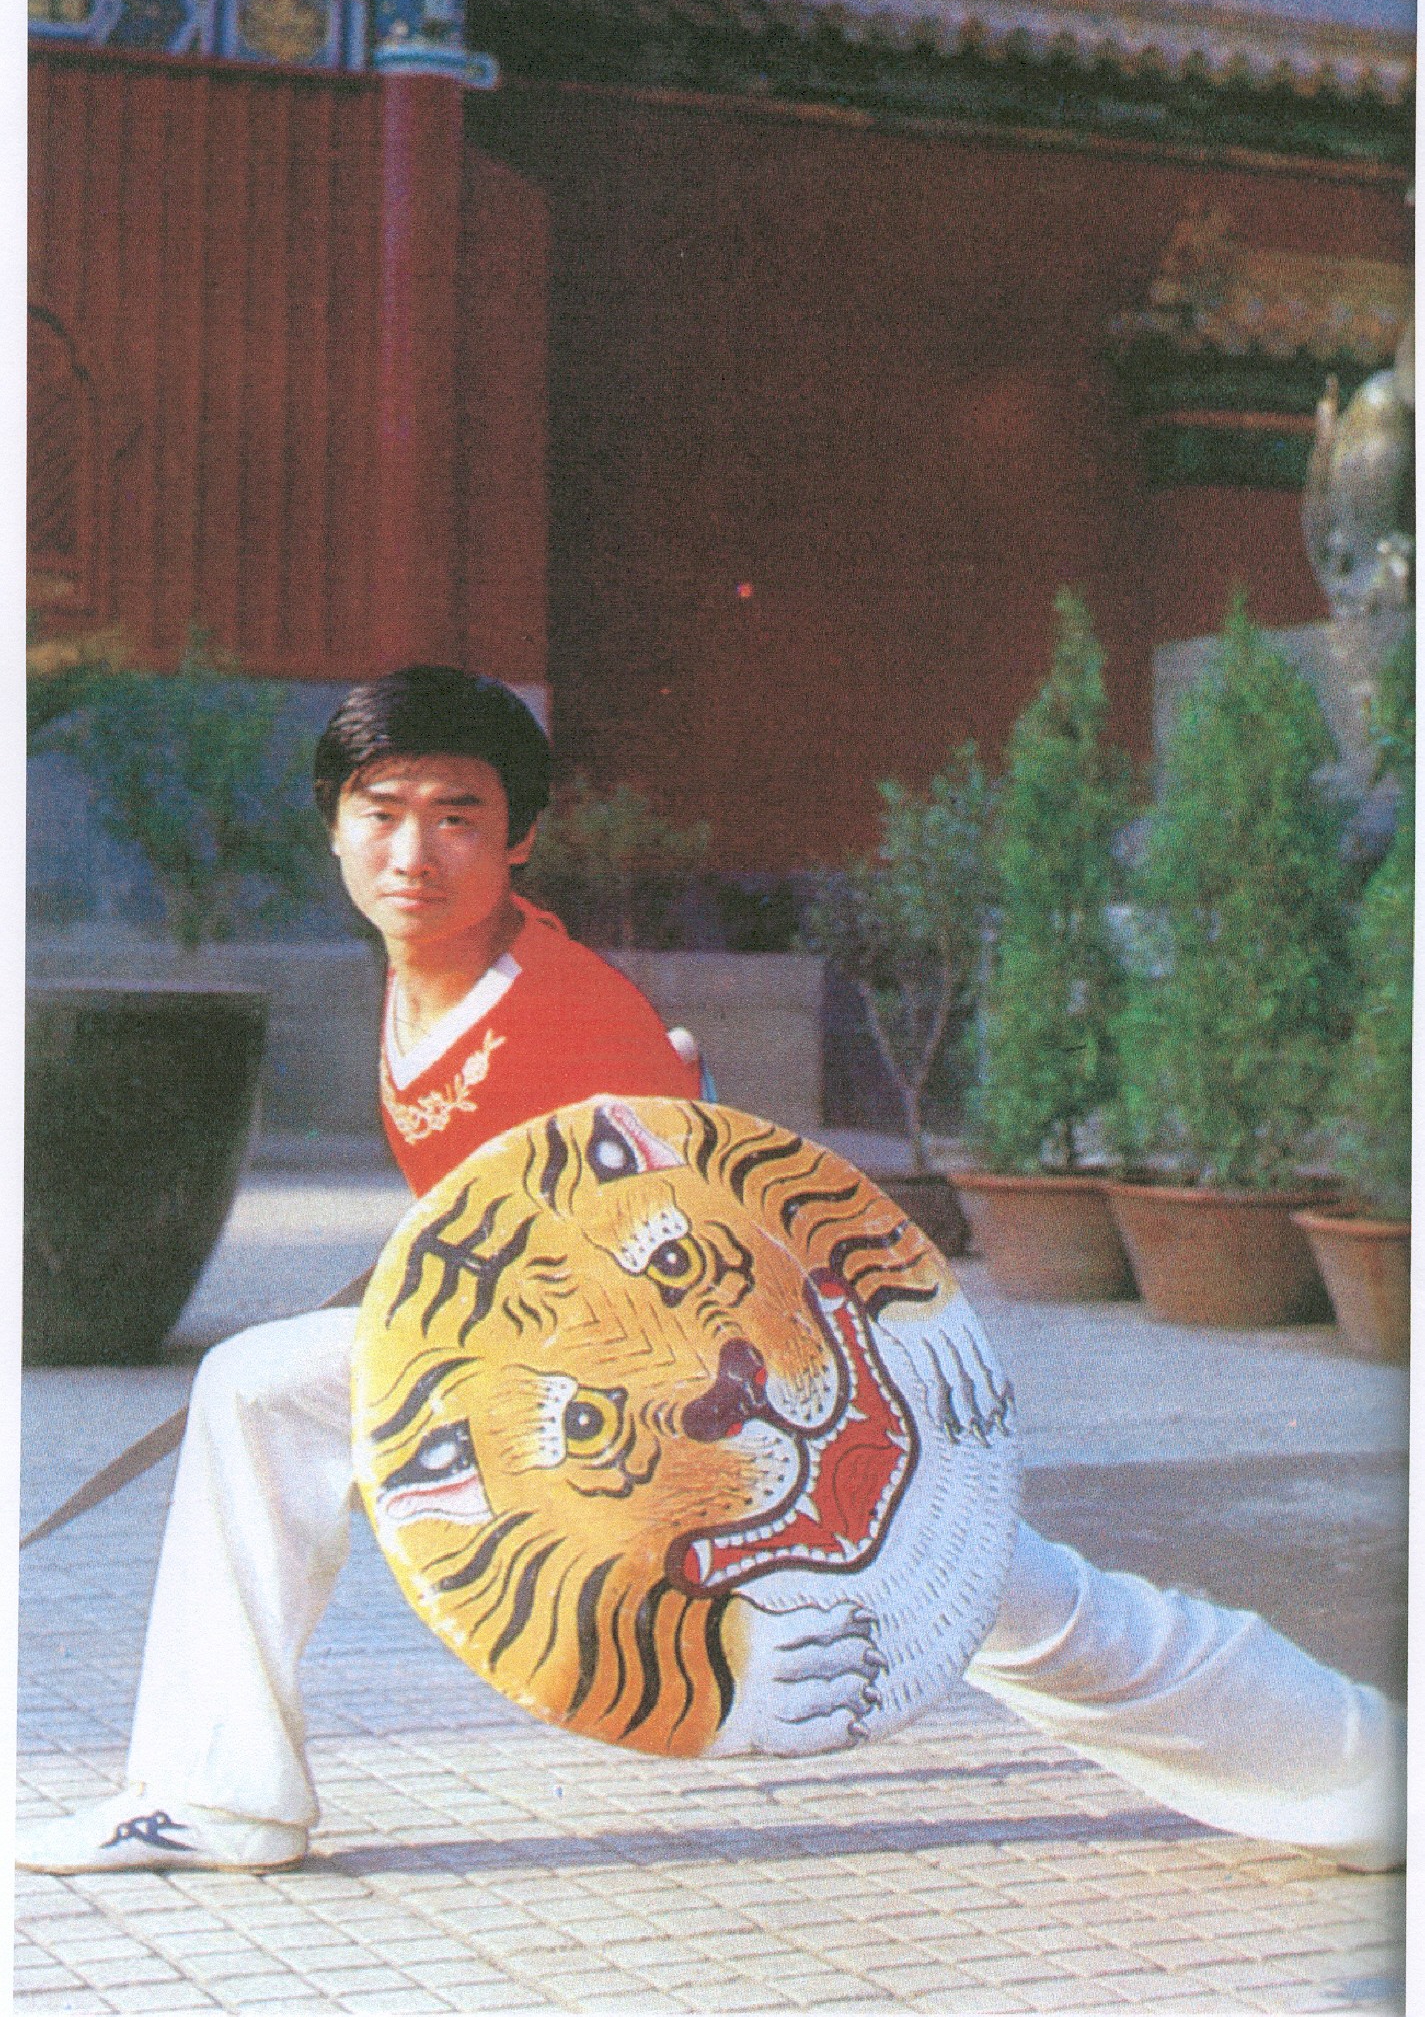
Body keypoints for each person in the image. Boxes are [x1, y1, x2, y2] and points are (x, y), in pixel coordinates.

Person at [18, 669, 1404, 1876]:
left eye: (458, 816)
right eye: (381, 812)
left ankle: (1373, 1777)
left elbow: (703, 1262)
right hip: (590, 1371)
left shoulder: (567, 1022)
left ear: (519, 838)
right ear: (332, 825)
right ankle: (220, 1793)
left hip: (763, 1393)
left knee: (1020, 1605)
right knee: (261, 1387)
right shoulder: (425, 972)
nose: (413, 851)